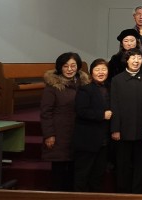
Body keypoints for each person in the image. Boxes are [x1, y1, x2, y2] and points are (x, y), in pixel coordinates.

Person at [40, 52, 89, 191]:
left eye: (73, 66)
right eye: (65, 66)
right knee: (59, 170)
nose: (69, 69)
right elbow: (46, 112)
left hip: (78, 131)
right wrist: (49, 134)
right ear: (60, 67)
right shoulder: (53, 86)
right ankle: (58, 199)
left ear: (78, 67)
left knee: (75, 169)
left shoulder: (84, 84)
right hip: (59, 132)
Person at [110, 48, 142, 194]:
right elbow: (114, 105)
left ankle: (137, 193)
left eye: (139, 58)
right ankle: (122, 193)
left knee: (140, 164)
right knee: (123, 164)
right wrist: (115, 129)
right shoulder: (117, 80)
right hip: (123, 130)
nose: (136, 61)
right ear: (126, 60)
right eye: (133, 58)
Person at [73, 58, 112, 192]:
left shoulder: (110, 88)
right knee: (83, 173)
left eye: (104, 69)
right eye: (97, 69)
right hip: (88, 139)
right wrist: (102, 115)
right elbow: (81, 111)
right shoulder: (85, 90)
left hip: (104, 140)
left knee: (98, 174)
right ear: (91, 72)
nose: (101, 72)